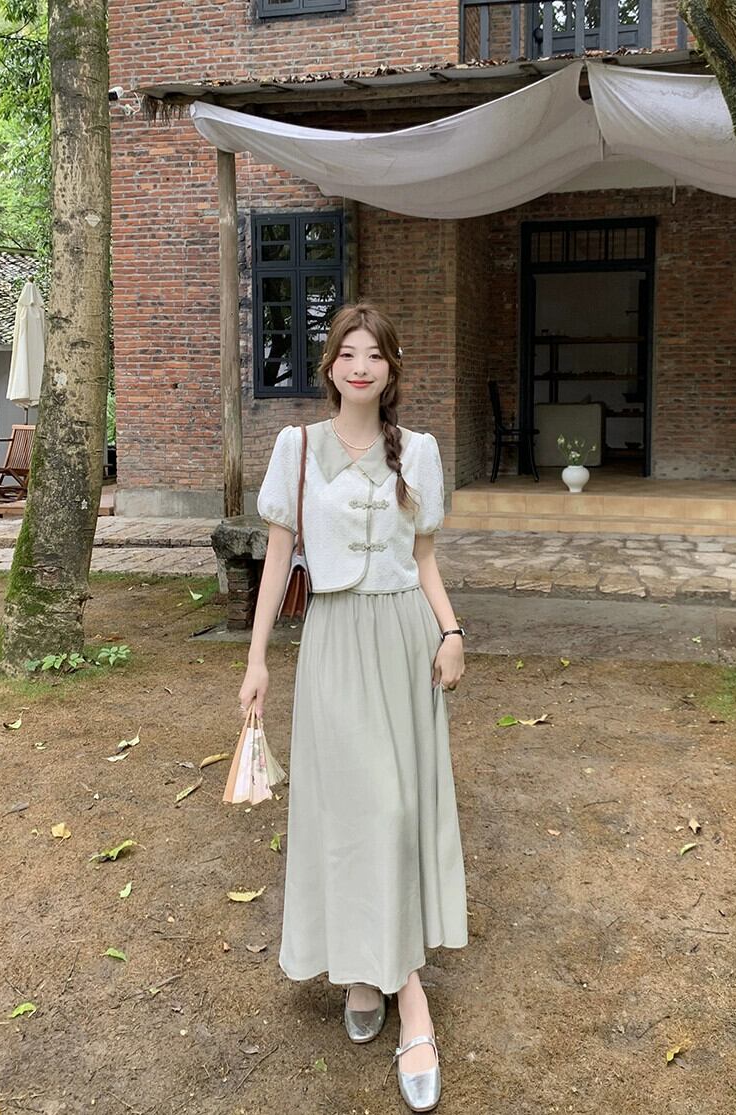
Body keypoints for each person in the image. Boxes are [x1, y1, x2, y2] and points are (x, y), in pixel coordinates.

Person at [239, 302, 468, 1112]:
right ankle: (396, 988)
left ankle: (387, 981)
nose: (360, 365)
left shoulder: (421, 451)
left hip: (405, 641)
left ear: (391, 367)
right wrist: (258, 657)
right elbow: (277, 561)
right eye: (347, 352)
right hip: (334, 641)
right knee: (356, 810)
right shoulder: (296, 448)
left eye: (375, 354)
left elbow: (426, 559)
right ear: (329, 365)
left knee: (399, 810)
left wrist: (451, 631)